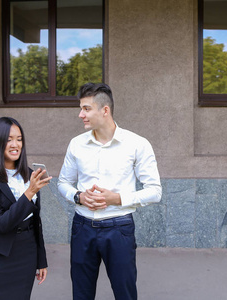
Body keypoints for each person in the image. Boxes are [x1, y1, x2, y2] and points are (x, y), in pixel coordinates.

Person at [58, 83, 162, 300]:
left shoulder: (137, 144)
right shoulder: (76, 144)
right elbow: (63, 183)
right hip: (82, 228)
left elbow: (154, 191)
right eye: (81, 108)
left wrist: (117, 198)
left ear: (104, 110)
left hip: (119, 228)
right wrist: (79, 197)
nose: (80, 115)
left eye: (86, 109)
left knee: (125, 293)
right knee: (81, 293)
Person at [0, 117, 51, 299]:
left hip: (26, 257)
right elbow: (1, 223)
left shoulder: (30, 175)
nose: (15, 144)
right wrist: (29, 193)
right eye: (9, 139)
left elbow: (35, 221)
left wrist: (41, 260)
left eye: (19, 139)